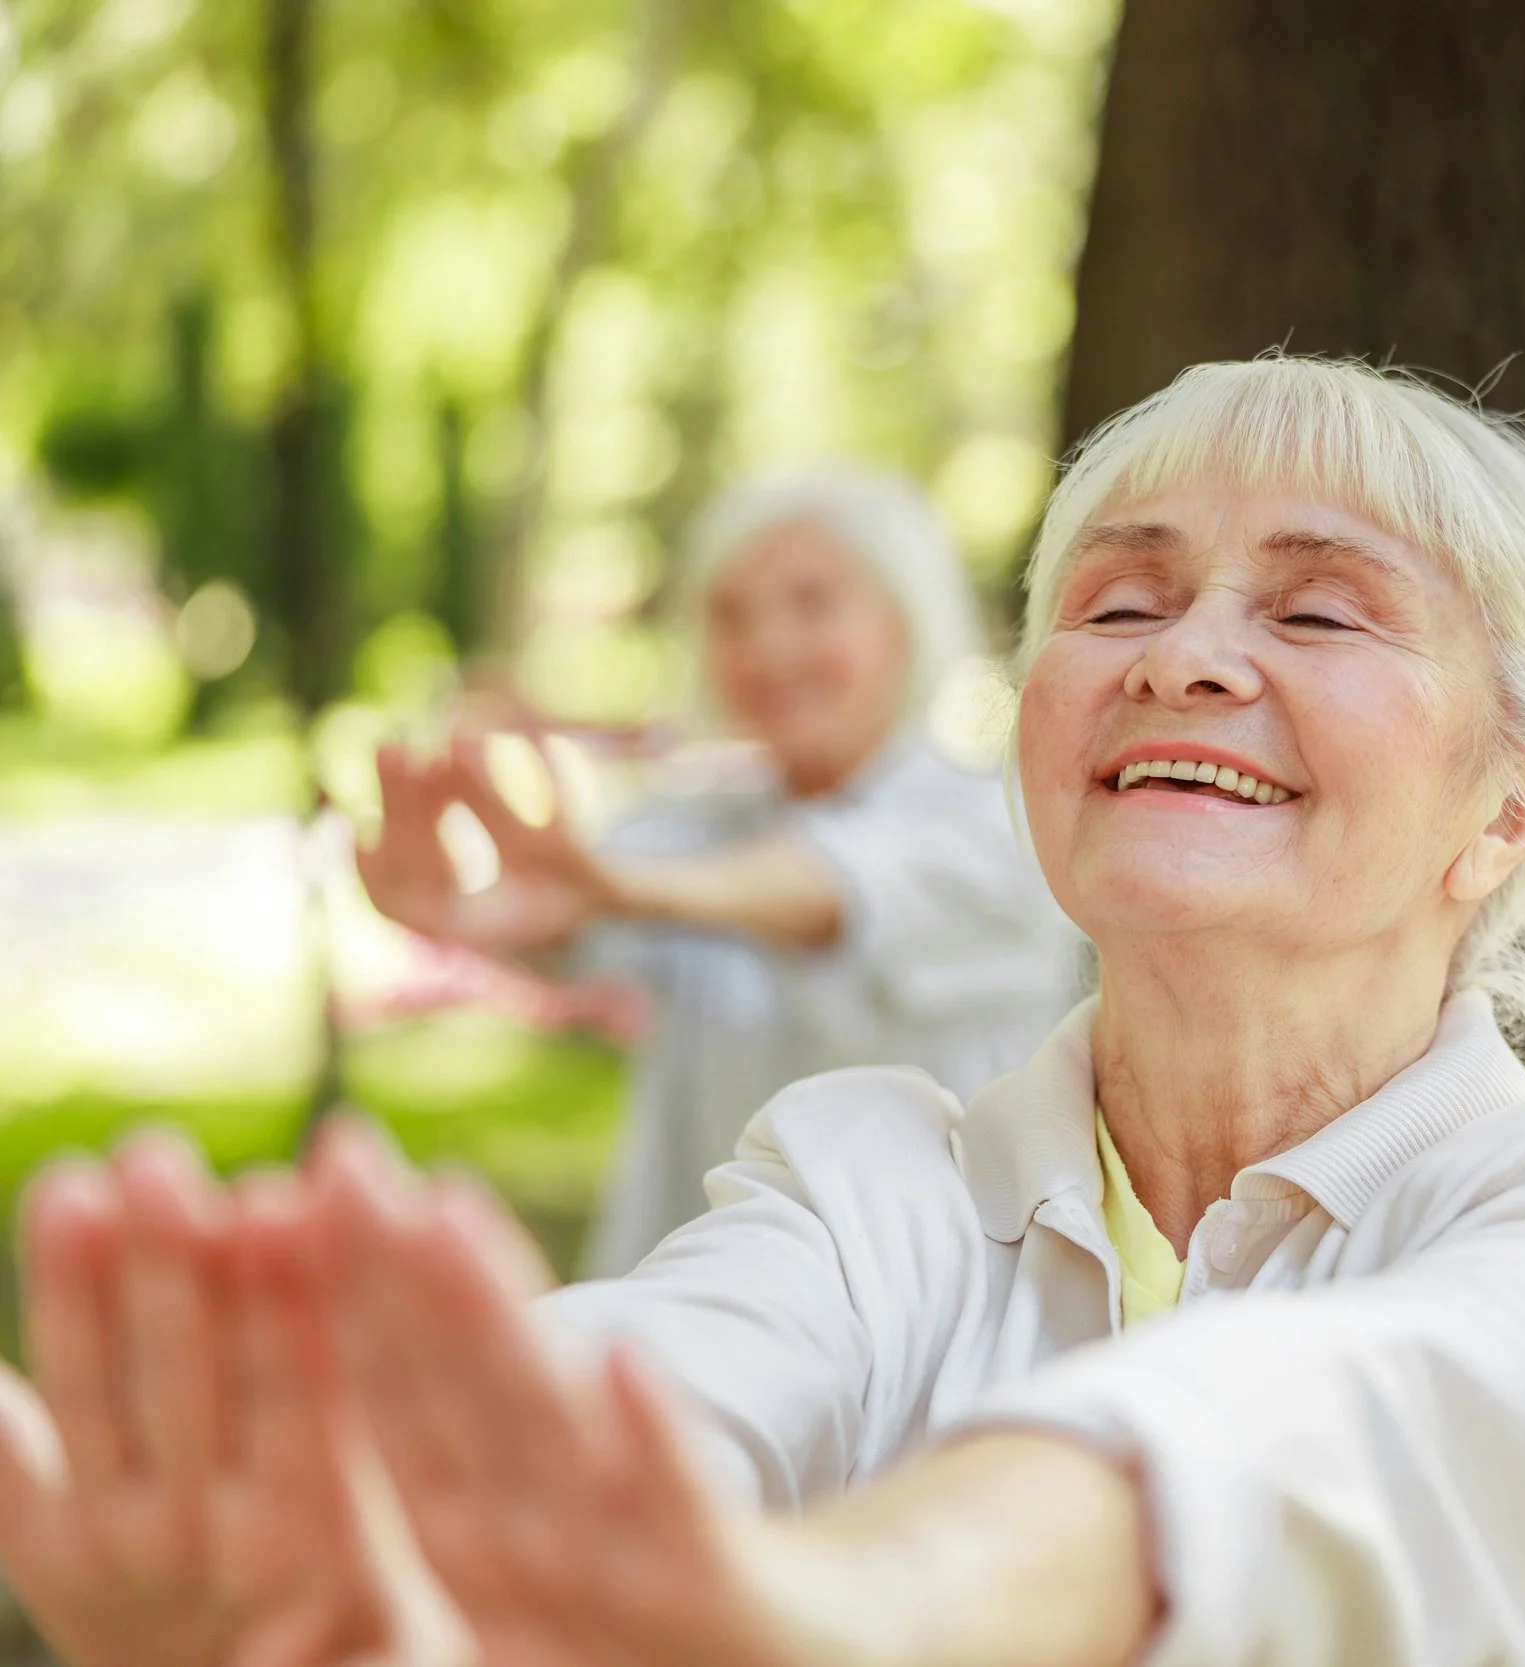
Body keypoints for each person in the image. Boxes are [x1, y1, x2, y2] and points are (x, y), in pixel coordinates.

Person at [0, 356, 1525, 1667]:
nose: (1185, 652)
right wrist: (389, 1554)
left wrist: (845, 1599)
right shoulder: (864, 1174)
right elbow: (658, 1384)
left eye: (1320, 613)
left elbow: (1341, 1436)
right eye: (1120, 599)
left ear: (1512, 806)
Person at [356, 467, 1085, 1274]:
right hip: (691, 1320)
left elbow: (829, 889)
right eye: (732, 616)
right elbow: (572, 920)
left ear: (906, 623)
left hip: (923, 1338)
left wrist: (617, 888)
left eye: (813, 604)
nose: (767, 647)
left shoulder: (996, 826)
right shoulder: (693, 821)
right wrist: (463, 911)